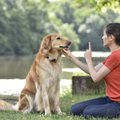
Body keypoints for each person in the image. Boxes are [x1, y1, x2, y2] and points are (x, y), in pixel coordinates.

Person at [63, 23, 120, 118]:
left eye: (104, 35)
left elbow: (95, 78)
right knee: (75, 109)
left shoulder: (116, 56)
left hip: (118, 104)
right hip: (109, 99)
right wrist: (71, 57)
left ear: (111, 37)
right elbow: (92, 71)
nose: (102, 37)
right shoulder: (112, 56)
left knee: (88, 112)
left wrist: (89, 59)